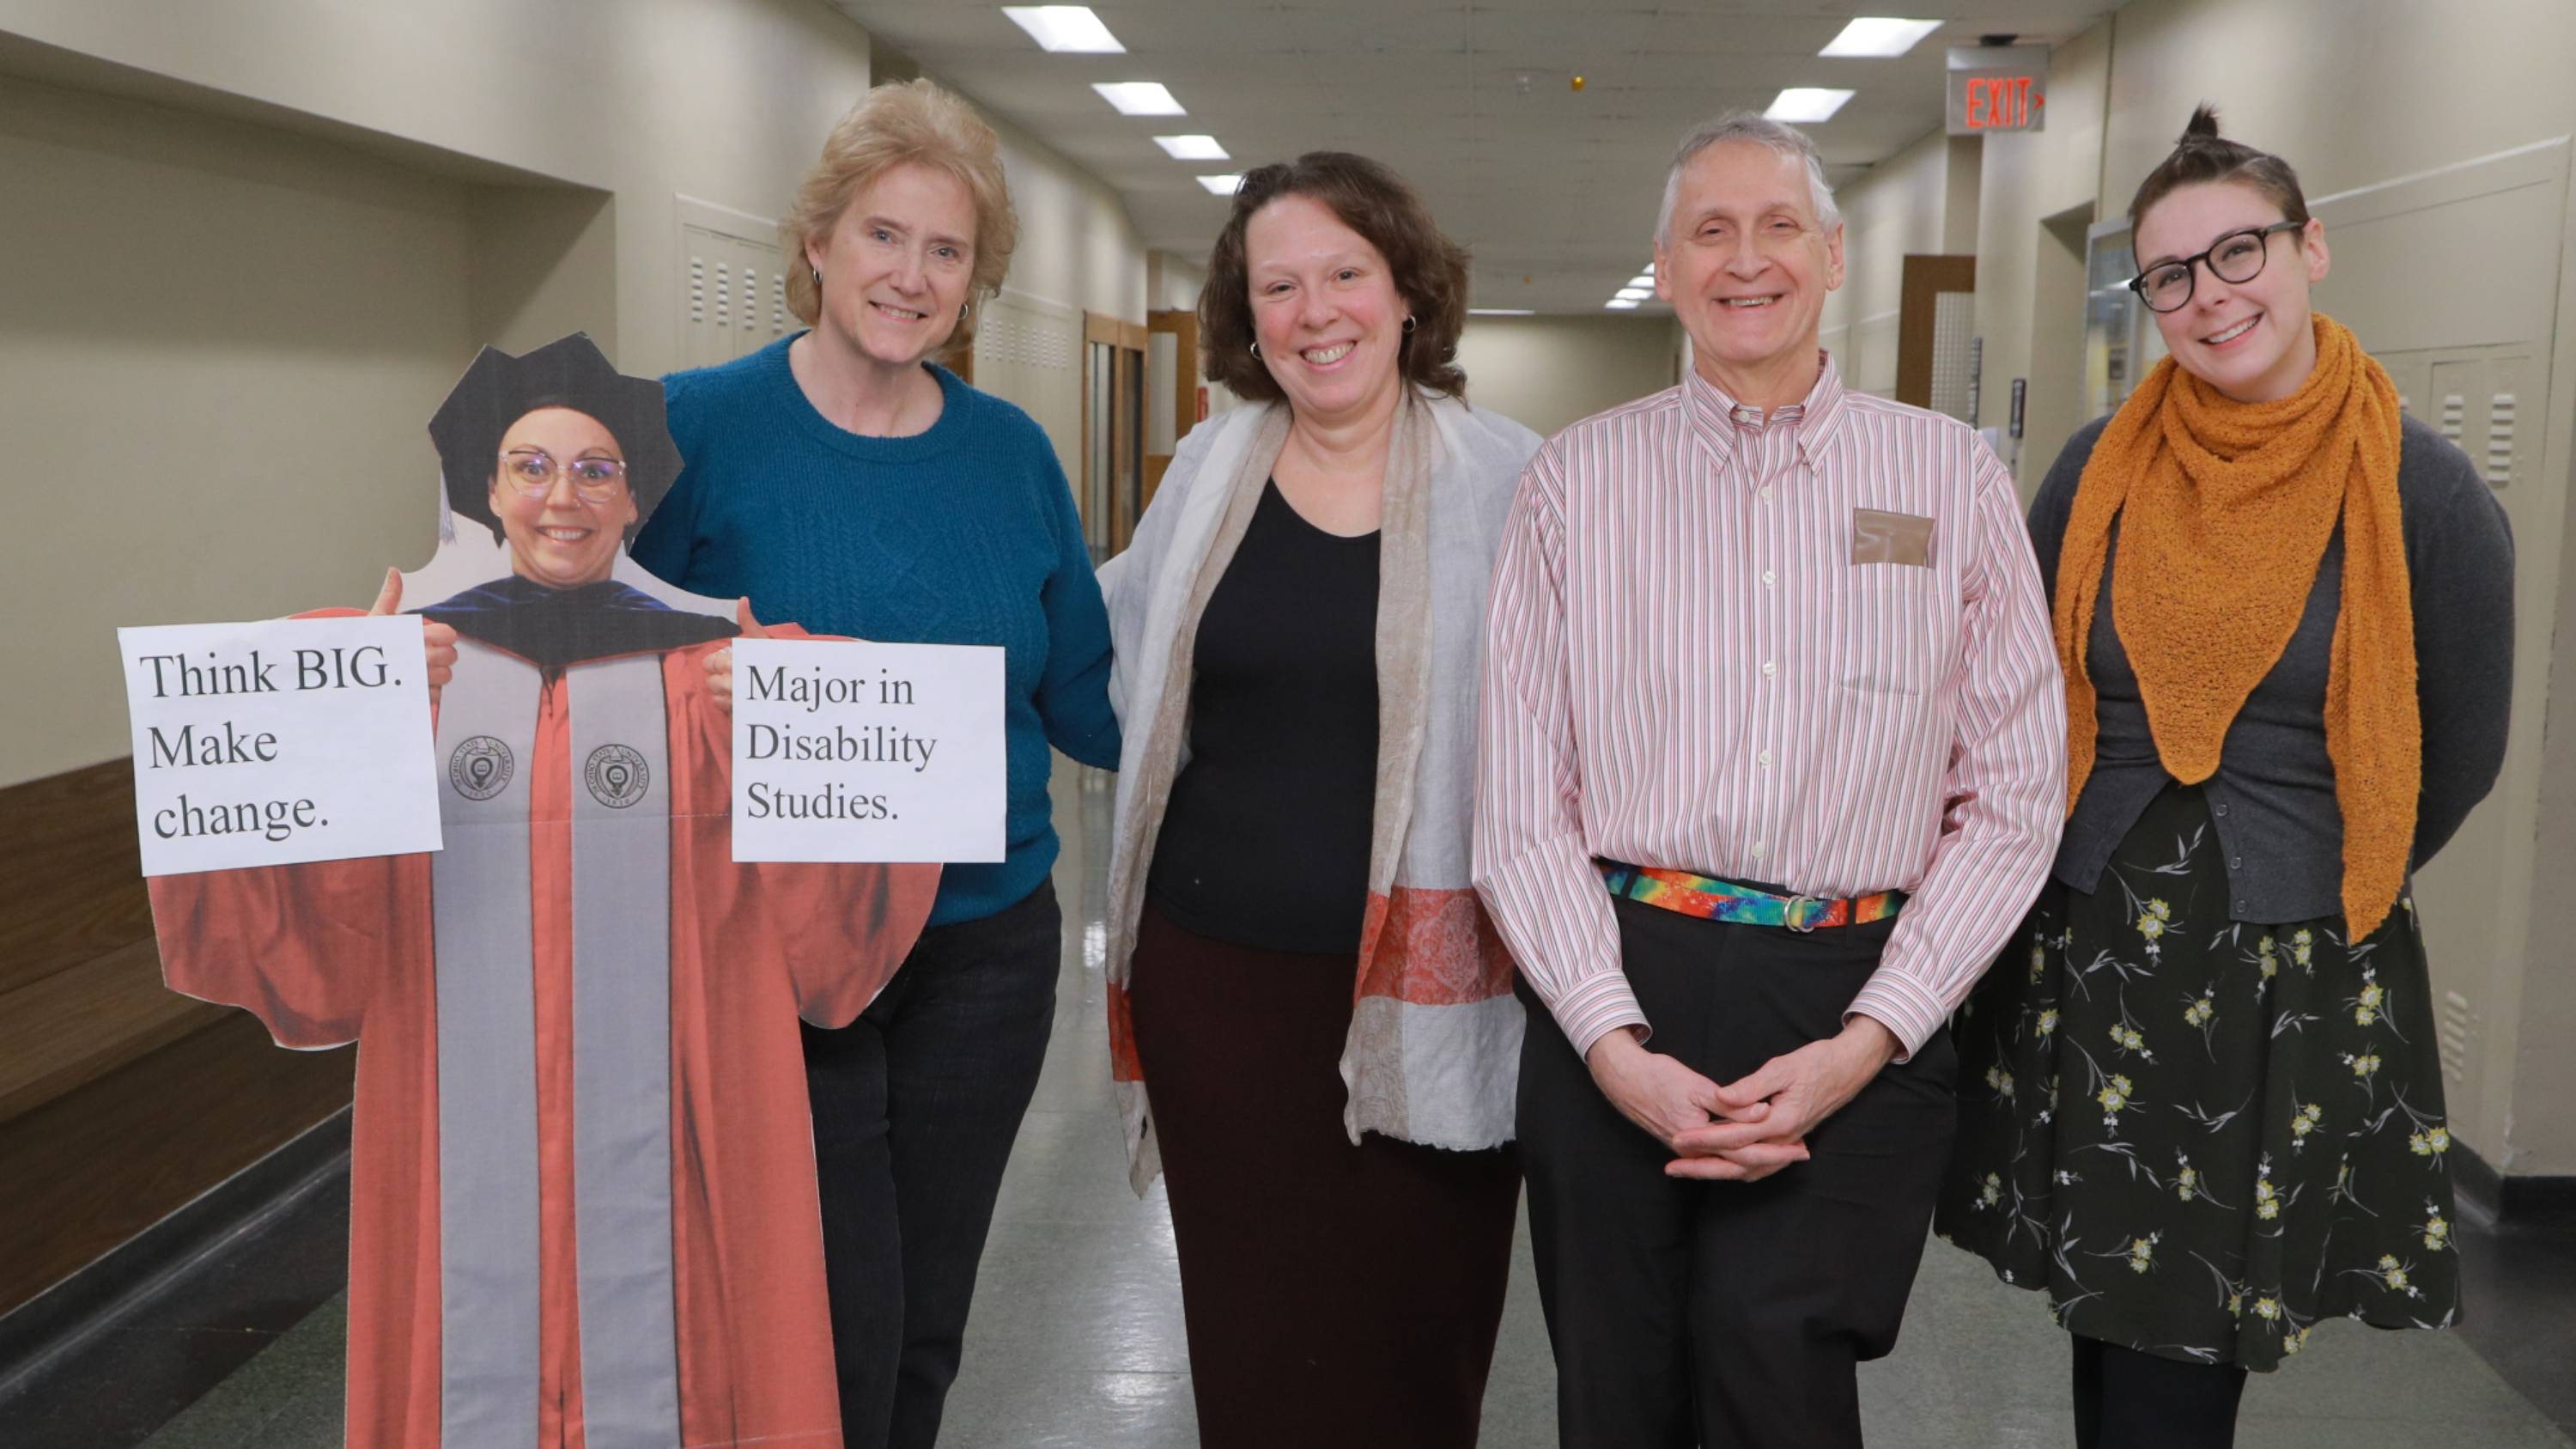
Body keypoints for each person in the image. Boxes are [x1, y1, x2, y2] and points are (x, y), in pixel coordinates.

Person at [147, 333, 941, 1449]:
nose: (561, 497)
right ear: (487, 489)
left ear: (634, 497)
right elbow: (291, 910)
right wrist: (332, 705)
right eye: (531, 466)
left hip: (681, 1140)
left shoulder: (723, 673)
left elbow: (836, 937)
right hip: (457, 1119)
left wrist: (795, 710)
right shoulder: (391, 666)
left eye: (594, 468)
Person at [1472, 111, 2067, 1448]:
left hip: (1856, 988)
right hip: (1617, 981)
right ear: (1668, 268)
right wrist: (1613, 1049)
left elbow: (2016, 797)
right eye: (1711, 231)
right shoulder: (1575, 483)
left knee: (1775, 1372)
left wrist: (1873, 1038)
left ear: (1836, 256)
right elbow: (1517, 807)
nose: (1748, 260)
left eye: (1779, 224)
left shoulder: (1951, 480)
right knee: (1617, 1394)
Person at [1937, 106, 2515, 1448]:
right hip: (2084, 947)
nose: (2209, 296)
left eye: (2238, 252)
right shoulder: (2100, 467)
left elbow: (2457, 753)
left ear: (2311, 247)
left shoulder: (2420, 490)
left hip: (2278, 968)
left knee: (2180, 1341)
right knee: (2112, 1312)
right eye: (2171, 275)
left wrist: (2310, 871)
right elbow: (2014, 686)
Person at [629, 79, 1118, 1449]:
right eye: (885, 236)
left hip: (984, 948)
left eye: (946, 252)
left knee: (928, 1309)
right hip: (774, 949)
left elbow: (1083, 687)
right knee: (823, 1305)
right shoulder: (690, 428)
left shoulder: (1012, 456)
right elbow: (580, 657)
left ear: (975, 285)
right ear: (819, 245)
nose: (911, 276)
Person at [1097, 152, 1538, 1449]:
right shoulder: (1205, 472)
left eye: (1346, 272)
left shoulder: (1510, 482)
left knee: (1422, 1340)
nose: (1315, 310)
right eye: (1277, 285)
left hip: (1435, 998)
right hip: (1219, 997)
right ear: (1247, 317)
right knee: (1257, 1344)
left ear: (1407, 291)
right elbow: (1120, 662)